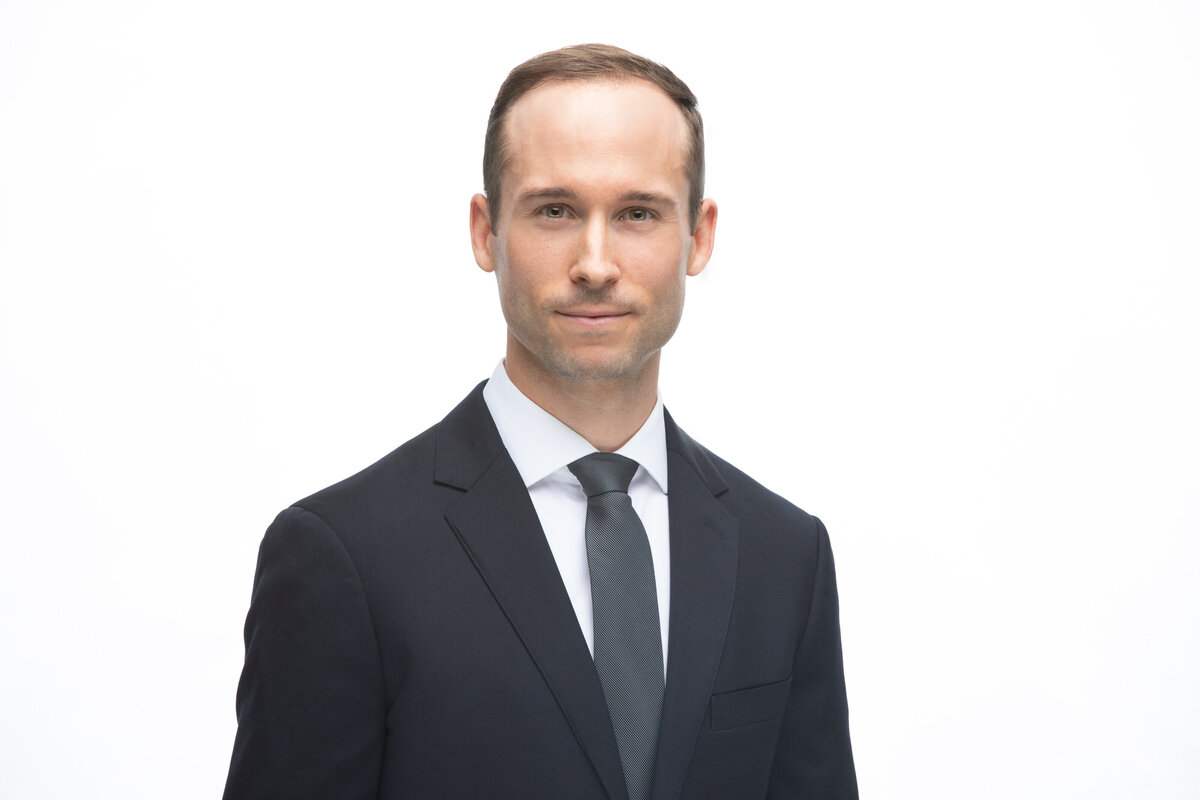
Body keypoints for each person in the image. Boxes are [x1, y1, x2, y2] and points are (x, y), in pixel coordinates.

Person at [223, 43, 857, 800]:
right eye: (555, 210)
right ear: (486, 232)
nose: (595, 261)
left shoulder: (784, 556)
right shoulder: (345, 558)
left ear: (699, 235)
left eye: (637, 213)